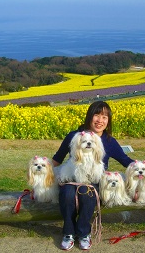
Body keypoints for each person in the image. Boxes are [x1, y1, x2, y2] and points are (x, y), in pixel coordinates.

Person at [52, 101, 134, 250]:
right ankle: (68, 233)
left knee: (87, 193)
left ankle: (84, 233)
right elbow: (57, 159)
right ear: (89, 116)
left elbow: (126, 161)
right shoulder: (73, 136)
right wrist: (45, 180)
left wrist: (142, 172)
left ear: (108, 121)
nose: (100, 120)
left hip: (95, 180)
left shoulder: (109, 141)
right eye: (97, 115)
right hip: (72, 178)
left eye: (104, 117)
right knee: (67, 193)